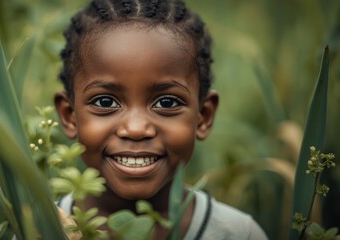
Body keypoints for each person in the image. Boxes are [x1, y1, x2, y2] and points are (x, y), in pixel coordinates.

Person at [54, 0, 268, 239]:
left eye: (167, 103)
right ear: (69, 116)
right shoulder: (38, 229)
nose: (136, 129)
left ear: (203, 116)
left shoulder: (238, 234)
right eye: (106, 102)